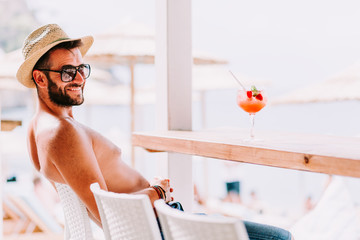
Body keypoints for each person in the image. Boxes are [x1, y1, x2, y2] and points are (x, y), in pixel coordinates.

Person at [17, 24, 293, 240]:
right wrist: (157, 192)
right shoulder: (62, 132)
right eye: (67, 72)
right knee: (281, 237)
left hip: (158, 225)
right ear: (40, 78)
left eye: (81, 69)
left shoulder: (39, 127)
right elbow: (107, 213)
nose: (79, 78)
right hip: (160, 229)